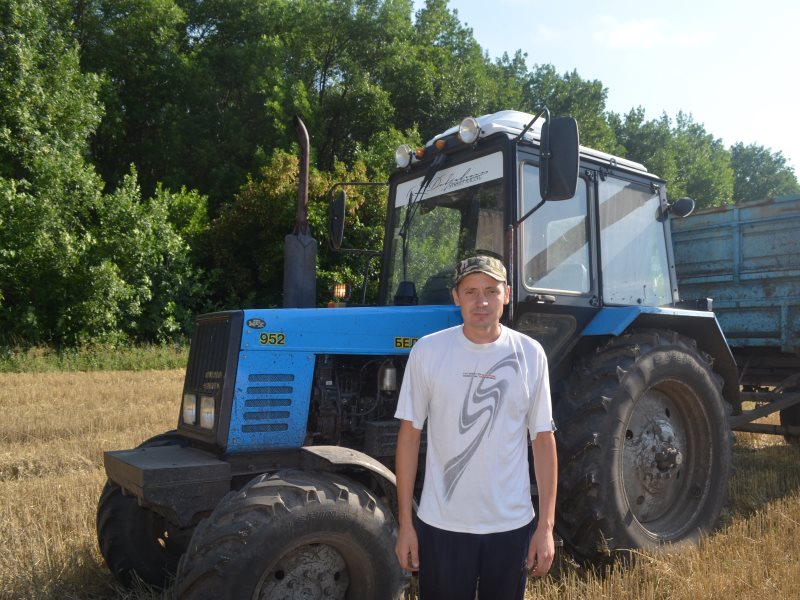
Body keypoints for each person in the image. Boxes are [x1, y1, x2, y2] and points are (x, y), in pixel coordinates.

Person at [394, 255, 557, 600]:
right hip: (442, 526)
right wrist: (406, 524)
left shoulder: (530, 354)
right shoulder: (428, 351)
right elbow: (409, 438)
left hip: (510, 527)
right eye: (470, 292)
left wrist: (545, 527)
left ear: (507, 295)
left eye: (490, 291)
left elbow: (542, 440)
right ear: (456, 297)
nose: (481, 301)